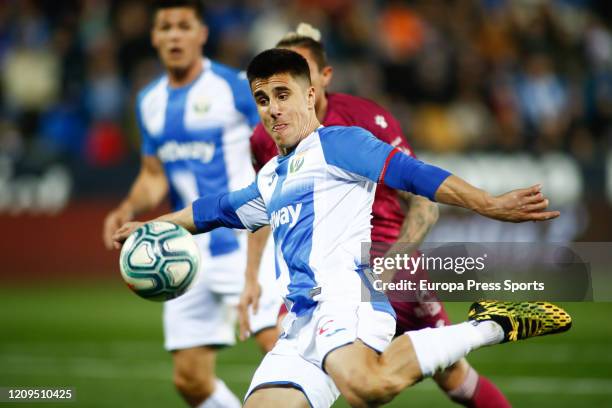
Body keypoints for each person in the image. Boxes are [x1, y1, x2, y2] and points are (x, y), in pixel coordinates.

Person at [112, 48, 571, 408]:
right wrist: (151, 226)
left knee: (366, 388)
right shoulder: (271, 176)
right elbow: (215, 209)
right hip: (301, 322)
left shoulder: (339, 144)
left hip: (350, 300)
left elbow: (415, 174)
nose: (272, 109)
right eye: (262, 99)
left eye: (282, 94)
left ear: (310, 94)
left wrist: (488, 203)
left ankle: (489, 325)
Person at [239, 23, 511, 407]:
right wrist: (252, 279)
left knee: (451, 374)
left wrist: (387, 267)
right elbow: (262, 207)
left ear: (319, 79)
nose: (280, 97)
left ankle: (486, 328)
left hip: (385, 253)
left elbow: (423, 201)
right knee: (286, 349)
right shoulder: (266, 136)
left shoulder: (366, 121)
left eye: (296, 75)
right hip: (321, 273)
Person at [101, 1, 280, 406]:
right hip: (185, 252)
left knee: (278, 346)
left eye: (184, 26)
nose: (175, 35)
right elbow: (153, 174)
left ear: (202, 33)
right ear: (154, 37)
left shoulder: (236, 87)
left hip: (248, 242)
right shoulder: (149, 101)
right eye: (166, 27)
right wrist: (127, 207)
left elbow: (274, 158)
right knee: (191, 380)